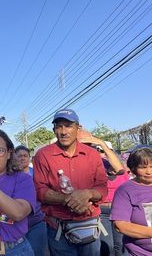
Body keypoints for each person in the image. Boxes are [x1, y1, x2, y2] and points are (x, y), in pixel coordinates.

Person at [33, 108, 108, 256]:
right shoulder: (43, 155)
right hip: (58, 227)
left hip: (89, 224)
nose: (63, 131)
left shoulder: (92, 154)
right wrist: (72, 200)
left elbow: (102, 188)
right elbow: (40, 191)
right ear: (54, 130)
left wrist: (87, 193)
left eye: (68, 126)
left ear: (78, 129)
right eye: (59, 126)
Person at [80, 135, 129, 256]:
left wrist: (103, 145)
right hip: (102, 211)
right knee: (108, 246)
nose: (101, 153)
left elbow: (119, 169)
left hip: (119, 211)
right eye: (99, 150)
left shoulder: (123, 171)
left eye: (104, 151)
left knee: (121, 245)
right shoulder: (99, 166)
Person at [110, 147, 152, 255]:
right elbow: (121, 225)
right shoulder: (125, 190)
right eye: (143, 167)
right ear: (133, 168)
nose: (148, 171)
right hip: (139, 252)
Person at [15, 145, 49, 256]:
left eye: (25, 156)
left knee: (37, 252)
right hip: (16, 224)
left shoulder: (38, 174)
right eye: (19, 156)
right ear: (14, 158)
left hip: (37, 222)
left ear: (29, 158)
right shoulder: (10, 175)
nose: (22, 158)